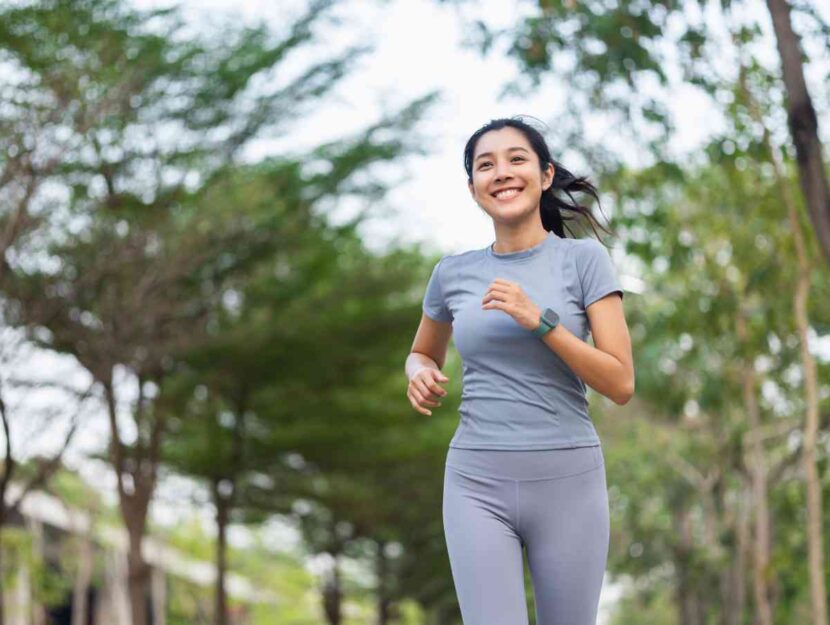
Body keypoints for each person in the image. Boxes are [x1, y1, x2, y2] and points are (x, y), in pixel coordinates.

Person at [404, 116, 634, 625]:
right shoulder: (452, 273)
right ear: (473, 188)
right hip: (475, 480)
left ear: (545, 175)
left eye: (516, 159)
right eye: (486, 165)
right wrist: (416, 371)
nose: (501, 172)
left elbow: (620, 383)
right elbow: (423, 352)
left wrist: (541, 321)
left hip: (568, 481)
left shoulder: (584, 260)